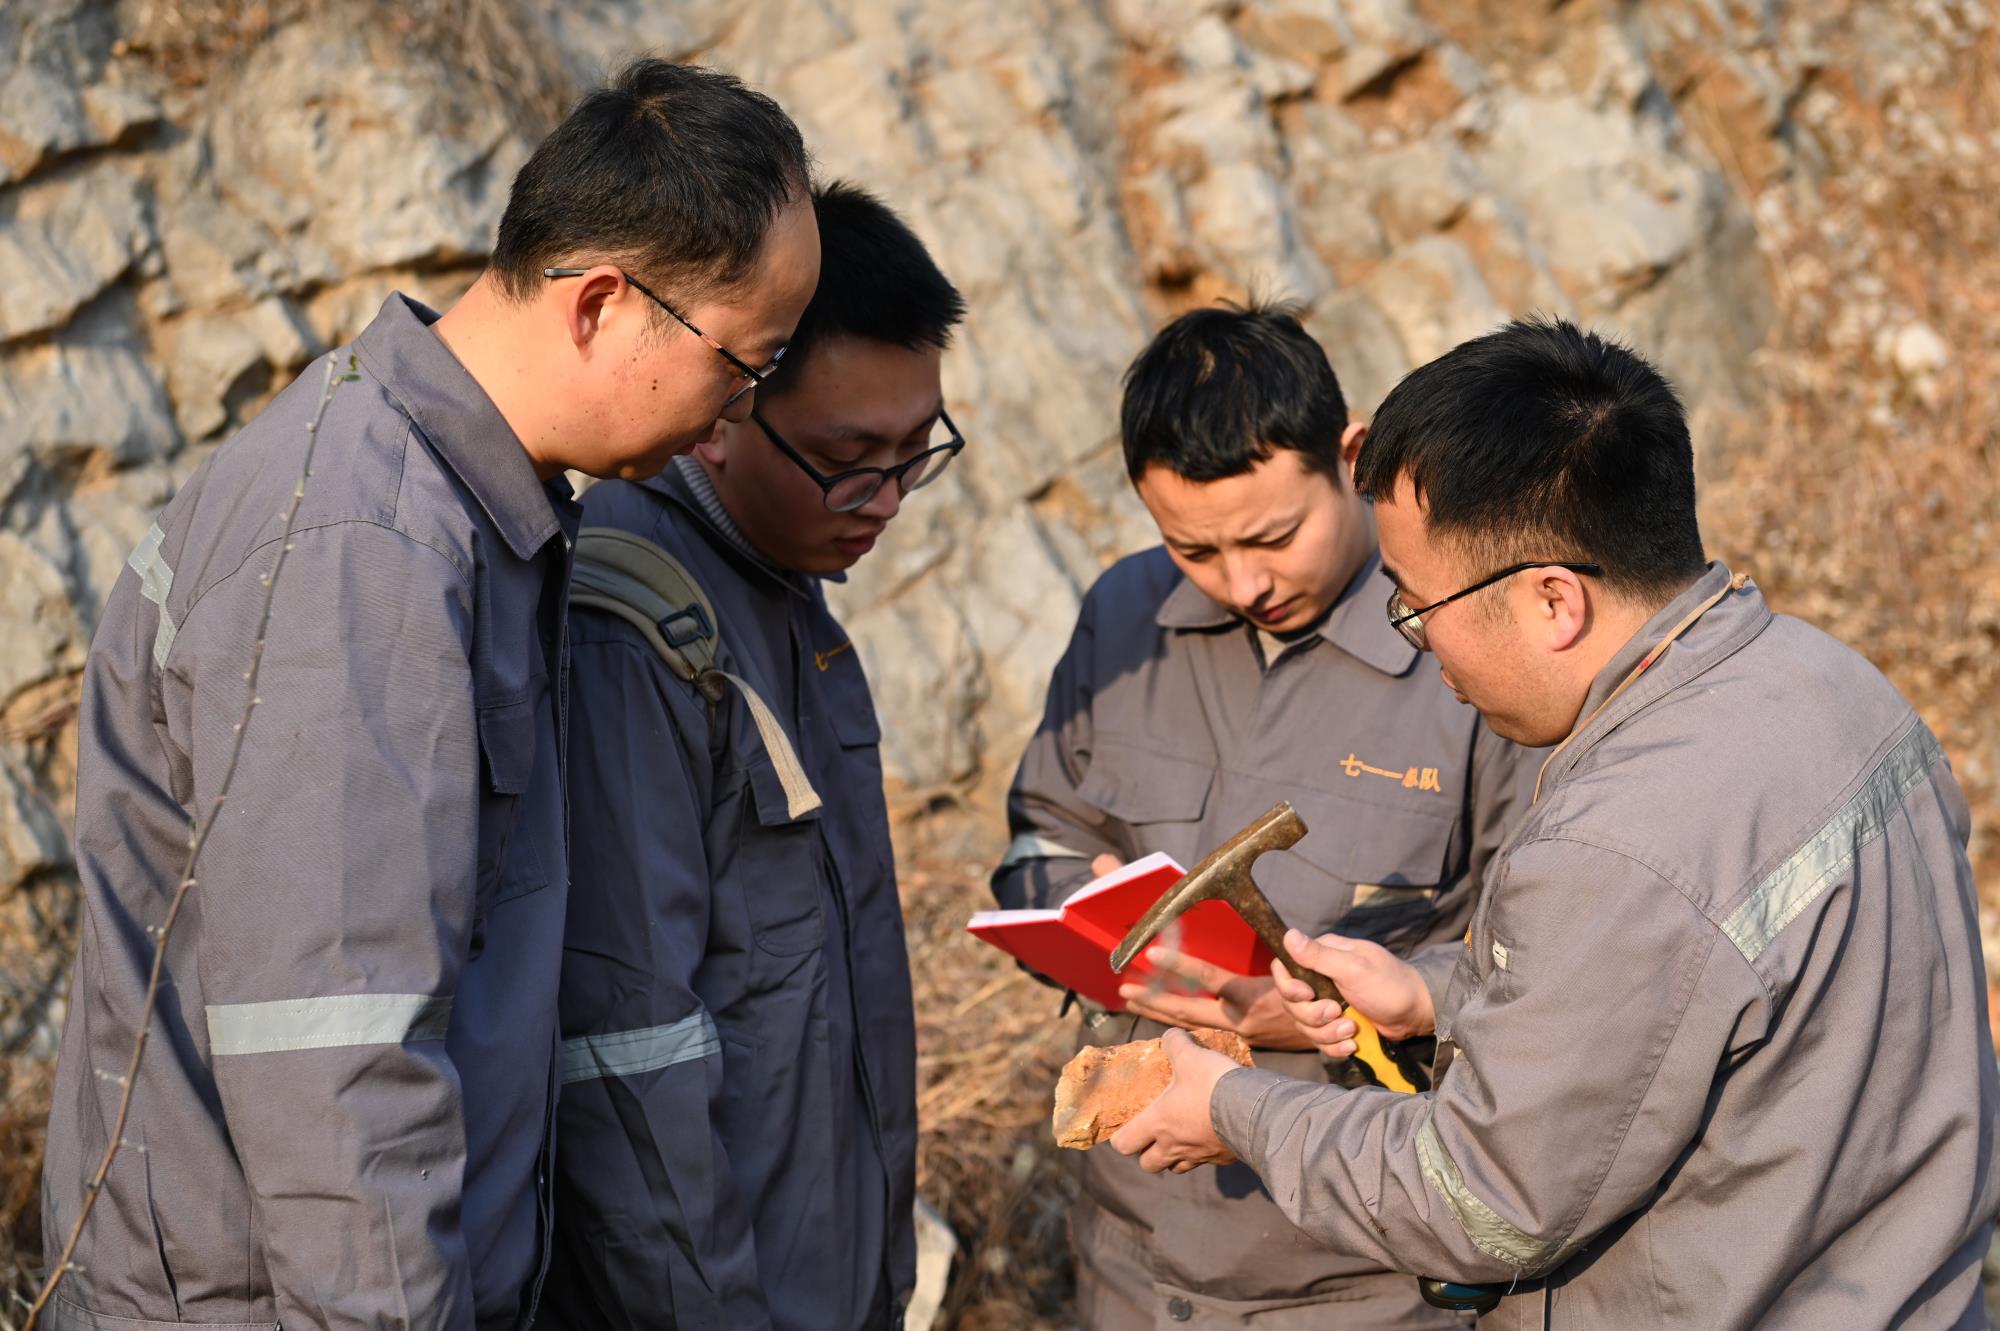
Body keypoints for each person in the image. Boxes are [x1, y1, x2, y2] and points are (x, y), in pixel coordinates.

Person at [40, 59, 817, 1331]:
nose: (737, 416)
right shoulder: (365, 547)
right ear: (603, 304)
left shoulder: (465, 507)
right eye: (744, 362)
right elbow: (336, 1055)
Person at [1111, 317, 2000, 1328]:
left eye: (1416, 605)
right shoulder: (1833, 683)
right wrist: (1433, 992)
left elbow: (1482, 1203)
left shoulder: (1616, 840)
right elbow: (1685, 987)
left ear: (1550, 600)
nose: (1424, 647)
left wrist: (1234, 1109)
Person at [992, 303, 1538, 1329]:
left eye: (1273, 536)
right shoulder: (1121, 620)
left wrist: (1384, 999)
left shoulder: (1469, 651)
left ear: (1352, 456)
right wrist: (1101, 928)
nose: (1244, 581)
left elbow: (1554, 959)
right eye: (1192, 548)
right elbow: (1043, 835)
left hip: (1365, 1273)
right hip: (1135, 1260)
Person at [543, 182, 965, 1330]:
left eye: (914, 452)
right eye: (848, 457)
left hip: (826, 1274)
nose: (884, 499)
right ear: (725, 407)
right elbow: (627, 1059)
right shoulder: (633, 627)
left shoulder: (787, 581)